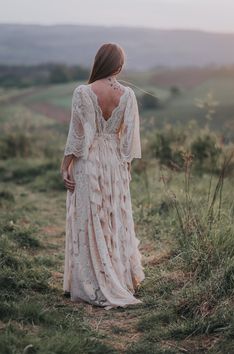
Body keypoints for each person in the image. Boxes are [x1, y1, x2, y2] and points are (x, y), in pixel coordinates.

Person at [60, 42, 145, 310]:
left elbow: (77, 135)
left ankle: (91, 281)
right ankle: (119, 277)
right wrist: (124, 168)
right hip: (115, 161)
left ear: (98, 62)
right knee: (114, 216)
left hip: (90, 160)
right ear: (119, 66)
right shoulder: (128, 95)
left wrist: (66, 164)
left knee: (89, 217)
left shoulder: (83, 92)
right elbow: (128, 141)